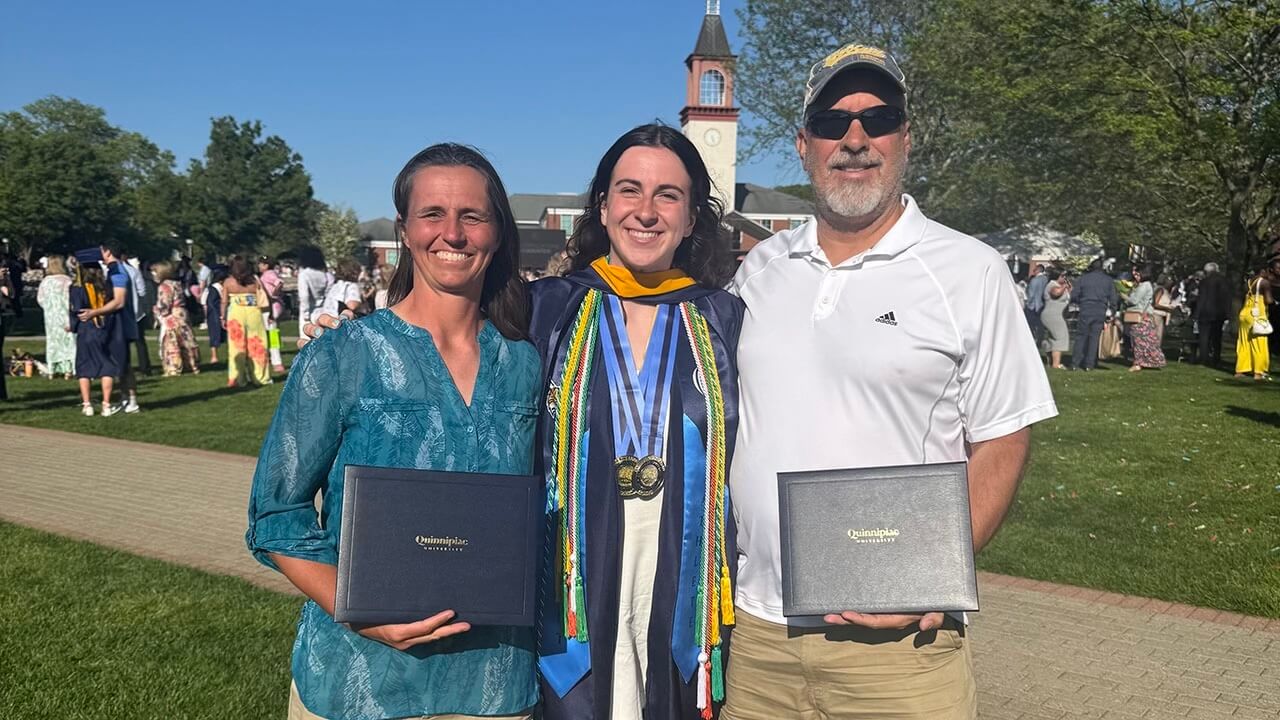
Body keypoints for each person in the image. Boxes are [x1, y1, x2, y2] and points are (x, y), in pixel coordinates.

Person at [722, 44, 1057, 720]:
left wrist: (930, 576)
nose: (854, 139)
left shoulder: (969, 270)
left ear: (906, 137)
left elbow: (1004, 438)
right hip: (755, 638)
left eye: (877, 118)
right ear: (802, 144)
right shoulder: (757, 272)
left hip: (899, 648)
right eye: (831, 121)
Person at [246, 143, 539, 720]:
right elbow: (275, 515)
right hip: (358, 681)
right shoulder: (343, 354)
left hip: (492, 684)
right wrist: (358, 610)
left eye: (472, 216)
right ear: (405, 231)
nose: (451, 234)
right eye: (432, 214)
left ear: (498, 233)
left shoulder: (526, 363)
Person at [530, 125, 742, 720]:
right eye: (629, 191)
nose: (646, 212)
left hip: (681, 581)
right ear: (603, 205)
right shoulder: (548, 308)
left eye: (668, 195)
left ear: (693, 217)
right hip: (575, 580)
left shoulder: (723, 318)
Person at [85, 243, 140, 413]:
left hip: (120, 324)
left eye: (101, 250)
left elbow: (119, 300)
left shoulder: (117, 271)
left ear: (108, 251)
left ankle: (131, 401)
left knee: (122, 363)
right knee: (121, 362)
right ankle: (126, 398)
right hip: (117, 323)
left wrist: (95, 312)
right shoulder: (115, 270)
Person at [69, 249, 125, 416]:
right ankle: (106, 405)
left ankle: (87, 405)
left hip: (86, 329)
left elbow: (77, 310)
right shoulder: (105, 285)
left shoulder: (77, 288)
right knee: (107, 366)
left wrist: (73, 325)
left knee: (84, 366)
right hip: (104, 327)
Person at [221, 255, 272, 387]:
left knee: (236, 347)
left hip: (236, 313)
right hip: (253, 312)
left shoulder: (228, 282)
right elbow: (266, 296)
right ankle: (260, 377)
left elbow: (224, 301)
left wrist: (222, 316)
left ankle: (237, 378)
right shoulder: (255, 281)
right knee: (258, 344)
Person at [151, 261, 201, 376]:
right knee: (185, 339)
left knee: (171, 341)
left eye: (155, 272)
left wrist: (158, 311)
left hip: (172, 315)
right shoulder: (177, 283)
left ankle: (174, 366)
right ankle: (191, 364)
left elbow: (165, 304)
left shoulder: (164, 286)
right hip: (182, 313)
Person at [1071, 258, 1119, 371]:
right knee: (1094, 338)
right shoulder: (1108, 280)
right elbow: (1113, 297)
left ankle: (1075, 363)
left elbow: (1074, 295)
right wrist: (1112, 311)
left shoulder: (1083, 279)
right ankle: (1089, 364)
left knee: (1081, 337)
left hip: (1086, 308)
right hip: (1100, 309)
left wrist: (1080, 301)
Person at [36, 255, 76, 378]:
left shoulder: (45, 282)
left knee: (53, 342)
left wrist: (49, 308)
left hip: (51, 317)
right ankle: (68, 370)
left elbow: (40, 299)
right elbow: (72, 300)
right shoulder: (67, 281)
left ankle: (52, 369)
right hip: (65, 315)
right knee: (68, 342)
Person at [1121, 264, 1166, 372]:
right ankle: (1148, 361)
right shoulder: (1143, 285)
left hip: (1140, 316)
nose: (1135, 275)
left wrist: (1123, 295)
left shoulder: (1144, 286)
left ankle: (1138, 363)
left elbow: (1134, 300)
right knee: (1145, 341)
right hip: (1142, 315)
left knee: (1139, 341)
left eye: (1137, 273)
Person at [1234, 262, 1274, 380]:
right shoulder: (1264, 282)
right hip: (1256, 315)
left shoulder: (1248, 282)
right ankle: (1259, 372)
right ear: (1263, 270)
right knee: (1259, 344)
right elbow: (1269, 300)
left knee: (1244, 342)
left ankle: (1241, 369)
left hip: (1244, 313)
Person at [118, 251, 152, 376]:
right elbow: (142, 291)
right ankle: (145, 368)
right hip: (136, 311)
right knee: (140, 342)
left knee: (122, 342)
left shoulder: (114, 272)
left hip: (122, 312)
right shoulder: (134, 271)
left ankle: (124, 367)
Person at [1195, 262, 1231, 368]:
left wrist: (1197, 313)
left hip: (1205, 312)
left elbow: (1201, 298)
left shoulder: (1204, 282)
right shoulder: (1224, 281)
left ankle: (1204, 358)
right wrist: (1227, 314)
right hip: (1218, 313)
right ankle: (1216, 358)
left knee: (1204, 336)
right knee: (1217, 337)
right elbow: (1226, 299)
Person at [257, 256, 286, 372]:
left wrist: (274, 294)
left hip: (271, 307)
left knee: (272, 334)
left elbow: (279, 283)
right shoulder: (269, 274)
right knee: (272, 333)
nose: (259, 266)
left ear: (266, 265)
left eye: (261, 264)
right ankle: (270, 358)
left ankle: (277, 362)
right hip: (273, 306)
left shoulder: (268, 274)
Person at [1039, 267, 1071, 369]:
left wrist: (1068, 287)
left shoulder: (1060, 285)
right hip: (1053, 316)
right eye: (1062, 276)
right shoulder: (1052, 285)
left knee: (1052, 339)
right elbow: (1056, 293)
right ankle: (1056, 364)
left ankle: (1049, 358)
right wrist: (1064, 286)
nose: (1064, 278)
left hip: (1056, 315)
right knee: (1060, 338)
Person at [295, 246, 331, 325]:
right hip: (324, 310)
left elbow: (304, 296)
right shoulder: (326, 275)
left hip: (310, 311)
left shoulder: (304, 274)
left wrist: (305, 314)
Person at [205, 265, 225, 364]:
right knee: (215, 335)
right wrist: (218, 315)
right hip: (215, 315)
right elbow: (211, 303)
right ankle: (214, 356)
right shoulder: (214, 289)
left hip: (221, 313)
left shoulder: (220, 287)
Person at [1024, 262, 1048, 341]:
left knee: (1030, 323)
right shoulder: (1045, 279)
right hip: (1041, 304)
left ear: (1037, 270)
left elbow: (1031, 294)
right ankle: (1040, 339)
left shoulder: (1035, 280)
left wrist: (1027, 303)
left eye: (1034, 270)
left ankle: (1032, 338)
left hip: (1033, 305)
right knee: (1040, 323)